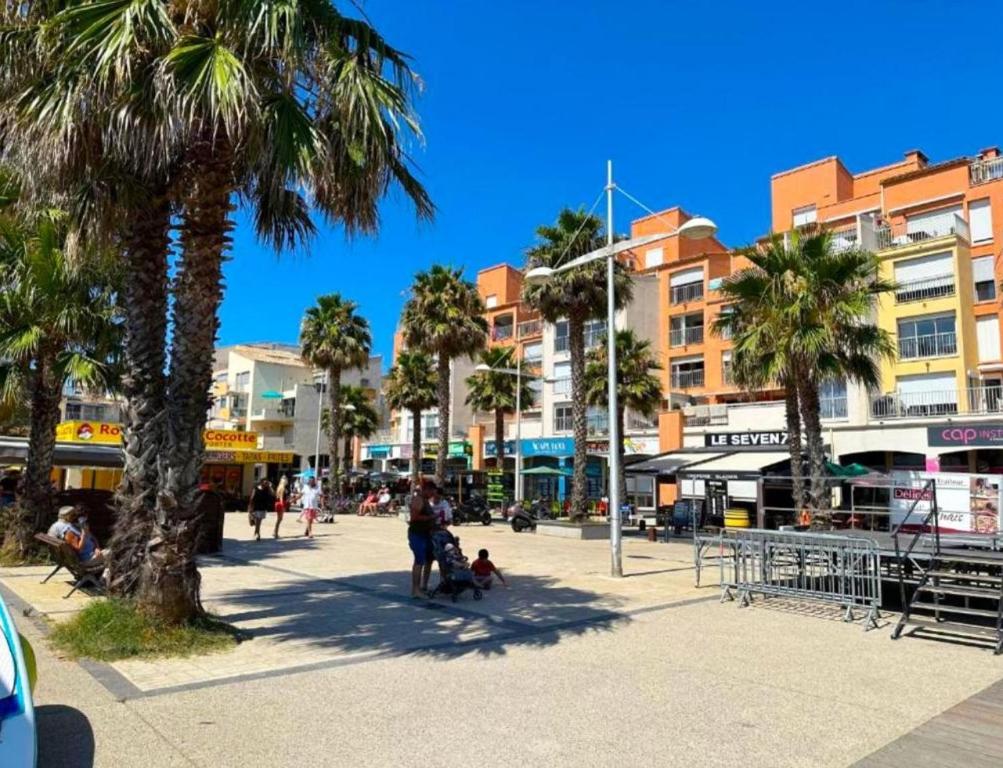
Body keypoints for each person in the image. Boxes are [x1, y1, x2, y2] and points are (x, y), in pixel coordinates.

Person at [407, 480, 437, 598]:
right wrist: (431, 517)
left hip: (425, 534)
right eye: (431, 493)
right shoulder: (418, 500)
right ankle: (415, 590)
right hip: (417, 534)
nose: (432, 496)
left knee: (426, 560)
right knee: (419, 561)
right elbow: (414, 518)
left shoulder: (425, 501)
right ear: (427, 490)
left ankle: (422, 587)